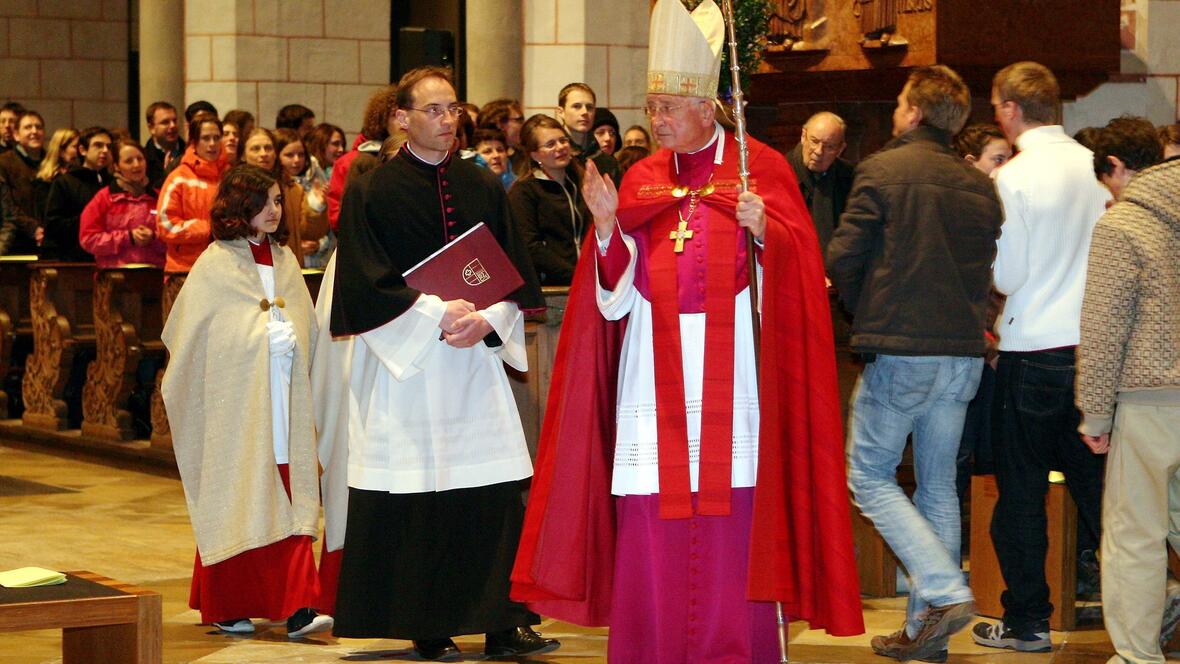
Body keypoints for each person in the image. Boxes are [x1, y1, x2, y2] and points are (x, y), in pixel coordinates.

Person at [511, 1, 864, 662]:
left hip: (738, 387)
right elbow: (612, 299)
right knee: (653, 521)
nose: (656, 119)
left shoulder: (761, 172)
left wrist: (769, 235)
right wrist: (609, 229)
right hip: (655, 386)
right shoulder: (640, 179)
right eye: (651, 105)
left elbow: (798, 285)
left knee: (736, 520)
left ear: (707, 106)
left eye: (667, 106)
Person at [321, 65, 551, 662]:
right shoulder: (371, 190)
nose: (447, 120)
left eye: (453, 109)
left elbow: (513, 275)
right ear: (401, 118)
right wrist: (435, 312)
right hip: (410, 368)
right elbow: (361, 284)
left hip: (474, 365)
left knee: (494, 489)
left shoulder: (481, 185)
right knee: (422, 494)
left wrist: (490, 319)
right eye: (433, 110)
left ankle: (502, 621)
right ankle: (429, 624)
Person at [827, 65, 1003, 663]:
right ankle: (925, 636)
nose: (900, 112)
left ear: (915, 113)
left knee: (869, 476)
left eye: (903, 103)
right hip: (961, 354)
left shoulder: (882, 169)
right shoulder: (980, 186)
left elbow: (844, 258)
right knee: (936, 489)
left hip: (903, 348)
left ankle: (946, 588)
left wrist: (865, 313)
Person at [971, 61, 1112, 653]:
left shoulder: (1016, 177)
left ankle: (1028, 621)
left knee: (1023, 494)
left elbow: (1011, 272)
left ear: (1007, 110)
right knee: (1102, 489)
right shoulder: (1095, 167)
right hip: (1093, 350)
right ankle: (1152, 593)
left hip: (1032, 353)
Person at [161, 163, 332, 639]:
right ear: (240, 208)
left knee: (289, 489)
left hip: (283, 395)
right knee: (236, 491)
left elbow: (307, 326)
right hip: (238, 402)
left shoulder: (286, 261)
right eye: (265, 202)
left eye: (279, 201)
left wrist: (289, 337)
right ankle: (227, 600)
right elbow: (195, 339)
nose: (275, 210)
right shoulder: (216, 263)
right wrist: (259, 339)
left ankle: (299, 605)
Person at [1077, 115, 1180, 664]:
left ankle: (1139, 657)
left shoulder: (1123, 226)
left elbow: (1102, 326)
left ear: (1117, 168)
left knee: (1135, 534)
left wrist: (1095, 415)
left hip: (1152, 397)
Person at [157, 111, 229, 317]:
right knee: (182, 343)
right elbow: (165, 225)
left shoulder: (229, 176)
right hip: (184, 271)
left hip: (224, 271)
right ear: (194, 142)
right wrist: (208, 228)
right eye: (206, 138)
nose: (213, 144)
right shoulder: (179, 178)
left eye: (217, 137)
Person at [509, 114, 589, 286]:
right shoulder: (524, 191)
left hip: (588, 279)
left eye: (563, 140)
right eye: (550, 144)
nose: (560, 147)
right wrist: (574, 275)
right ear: (535, 155)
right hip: (552, 287)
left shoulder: (582, 182)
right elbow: (531, 247)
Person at [79, 138, 164, 268]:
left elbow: (175, 240)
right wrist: (127, 237)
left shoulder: (160, 198)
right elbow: (88, 239)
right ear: (116, 166)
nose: (136, 165)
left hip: (154, 274)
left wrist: (154, 237)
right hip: (114, 277)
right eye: (129, 161)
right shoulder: (104, 198)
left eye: (140, 159)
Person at [326, 85, 398, 231]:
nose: (403, 121)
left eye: (408, 114)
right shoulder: (358, 161)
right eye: (395, 115)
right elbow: (341, 215)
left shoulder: (423, 157)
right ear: (382, 120)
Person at [42, 126, 113, 261]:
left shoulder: (113, 183)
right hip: (72, 258)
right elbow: (53, 225)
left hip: (105, 256)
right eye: (98, 146)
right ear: (82, 150)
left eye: (108, 147)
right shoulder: (65, 183)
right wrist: (90, 218)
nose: (105, 151)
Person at [786, 111, 853, 253]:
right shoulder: (781, 172)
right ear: (803, 136)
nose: (818, 151)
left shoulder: (849, 177)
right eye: (814, 141)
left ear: (840, 149)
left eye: (829, 147)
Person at [272, 128, 328, 267]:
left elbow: (310, 231)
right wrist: (295, 244)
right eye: (289, 155)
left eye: (301, 154)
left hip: (306, 263)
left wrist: (317, 207)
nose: (296, 160)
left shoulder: (300, 186)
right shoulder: (275, 186)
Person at [556, 82, 621, 185]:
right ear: (561, 112)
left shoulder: (608, 163)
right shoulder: (553, 156)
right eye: (577, 106)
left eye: (589, 107)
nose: (584, 112)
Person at [0, 110, 46, 254]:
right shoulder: (4, 162)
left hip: (47, 241)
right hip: (15, 241)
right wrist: (33, 228)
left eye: (38, 127)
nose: (34, 131)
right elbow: (8, 207)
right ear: (16, 135)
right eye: (28, 127)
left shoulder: (52, 162)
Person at [477, 98, 527, 175]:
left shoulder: (524, 155)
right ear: (499, 123)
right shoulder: (476, 158)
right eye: (519, 120)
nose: (524, 125)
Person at [143, 101, 184, 189]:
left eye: (175, 120)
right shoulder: (143, 158)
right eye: (165, 122)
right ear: (151, 128)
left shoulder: (190, 152)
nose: (173, 125)